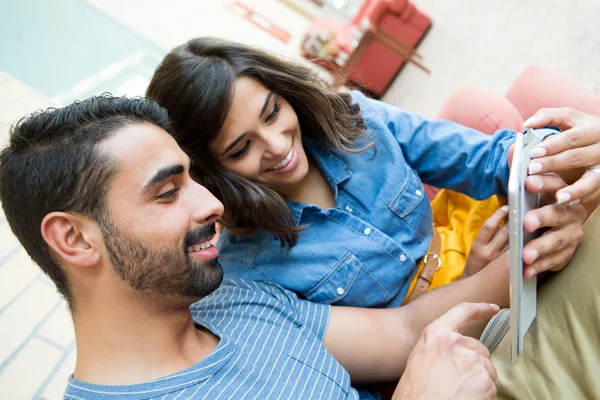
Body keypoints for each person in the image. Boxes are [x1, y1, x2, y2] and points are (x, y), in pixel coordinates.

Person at [0, 96, 500, 399]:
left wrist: (528, 244)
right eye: (168, 192)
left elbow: (406, 330)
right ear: (74, 238)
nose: (213, 204)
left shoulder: (235, 301)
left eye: (196, 179)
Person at [145, 37, 587, 318]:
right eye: (241, 148)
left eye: (274, 112)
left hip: (475, 235)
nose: (278, 146)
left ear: (286, 91)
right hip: (444, 320)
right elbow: (389, 351)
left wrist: (556, 145)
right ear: (211, 173)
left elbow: (486, 160)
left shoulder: (354, 118)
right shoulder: (252, 269)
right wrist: (474, 276)